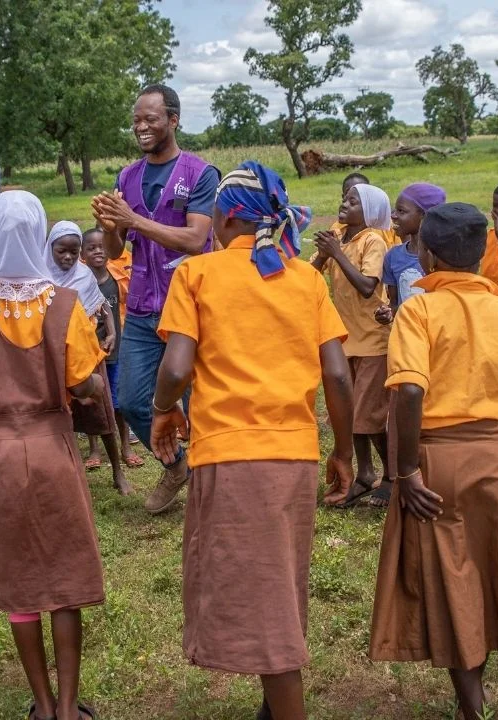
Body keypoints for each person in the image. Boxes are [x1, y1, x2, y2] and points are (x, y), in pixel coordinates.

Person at [148, 161, 354, 720]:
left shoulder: (198, 274)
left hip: (232, 454)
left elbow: (176, 365)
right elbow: (336, 374)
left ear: (226, 216)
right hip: (294, 455)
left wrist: (164, 410)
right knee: (279, 581)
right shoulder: (306, 279)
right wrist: (344, 450)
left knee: (266, 601)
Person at [368, 202, 498, 719]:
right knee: (497, 567)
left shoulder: (419, 310)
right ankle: (476, 690)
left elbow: (407, 392)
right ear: (480, 255)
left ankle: (471, 700)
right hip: (495, 454)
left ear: (426, 254)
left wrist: (404, 471)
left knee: (451, 574)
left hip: (436, 458)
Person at [0, 191, 107, 720]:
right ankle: (70, 707)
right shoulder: (62, 303)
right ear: (38, 235)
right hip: (52, 445)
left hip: (0, 452)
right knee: (66, 577)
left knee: (20, 585)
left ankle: (40, 705)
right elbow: (86, 385)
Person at [90, 84, 221, 515]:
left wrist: (133, 219)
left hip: (191, 307)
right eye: (137, 120)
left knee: (193, 403)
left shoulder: (201, 174)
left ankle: (208, 486)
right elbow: (114, 251)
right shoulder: (127, 177)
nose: (141, 127)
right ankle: (177, 466)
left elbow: (196, 239)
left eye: (150, 119)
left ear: (173, 121)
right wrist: (111, 224)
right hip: (144, 307)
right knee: (128, 398)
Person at [313, 183, 393, 508]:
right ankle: (364, 474)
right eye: (344, 198)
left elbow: (365, 286)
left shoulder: (372, 240)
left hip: (373, 340)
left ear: (370, 211)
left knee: (370, 416)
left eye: (353, 201)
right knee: (349, 414)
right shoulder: (339, 236)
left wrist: (335, 253)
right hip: (345, 339)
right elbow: (311, 274)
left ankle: (391, 477)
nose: (344, 204)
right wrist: (323, 253)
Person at [47, 220, 132, 496]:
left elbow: (102, 305)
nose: (68, 257)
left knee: (102, 411)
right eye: (62, 251)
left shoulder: (84, 275)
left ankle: (118, 472)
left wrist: (110, 332)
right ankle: (68, 475)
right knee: (62, 416)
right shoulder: (40, 276)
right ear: (50, 249)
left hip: (87, 352)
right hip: (55, 356)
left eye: (74, 251)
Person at [83, 227, 144, 469]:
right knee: (91, 401)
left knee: (118, 402)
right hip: (88, 353)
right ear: (82, 254)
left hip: (116, 351)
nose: (98, 251)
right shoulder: (81, 281)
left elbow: (118, 312)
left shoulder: (117, 279)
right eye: (91, 248)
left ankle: (125, 447)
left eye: (101, 246)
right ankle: (94, 450)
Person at [377, 183, 446, 322]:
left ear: (424, 216)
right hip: (409, 335)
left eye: (401, 211)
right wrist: (388, 314)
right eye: (395, 210)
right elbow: (396, 304)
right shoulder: (393, 256)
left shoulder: (445, 258)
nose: (393, 216)